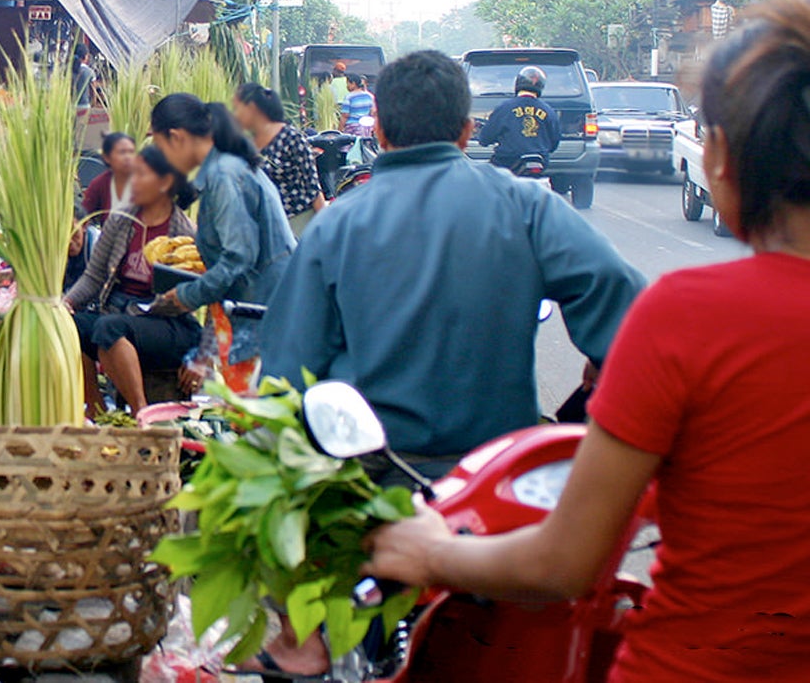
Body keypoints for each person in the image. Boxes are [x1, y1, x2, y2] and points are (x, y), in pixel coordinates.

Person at [366, 0, 810, 682]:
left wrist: (427, 552)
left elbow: (560, 563)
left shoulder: (688, 315)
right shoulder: (547, 207)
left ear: (719, 156)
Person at [254, 50, 643, 676]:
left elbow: (282, 387)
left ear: (377, 128)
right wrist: (603, 374)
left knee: (297, 644)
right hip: (503, 498)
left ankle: (311, 647)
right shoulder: (527, 207)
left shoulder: (335, 228)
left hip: (372, 495)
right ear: (467, 130)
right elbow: (631, 317)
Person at [148, 94, 295, 374]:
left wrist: (187, 295)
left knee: (257, 409)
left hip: (266, 311)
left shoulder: (225, 175)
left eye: (159, 146)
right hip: (262, 309)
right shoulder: (223, 168)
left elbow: (238, 257)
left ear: (177, 138)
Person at [64, 146, 203, 414]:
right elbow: (94, 277)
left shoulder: (185, 232)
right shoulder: (120, 221)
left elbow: (205, 295)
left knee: (108, 328)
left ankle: (141, 412)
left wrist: (203, 358)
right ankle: (95, 409)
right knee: (70, 325)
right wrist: (66, 303)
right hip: (122, 314)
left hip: (169, 326)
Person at [233, 83, 326, 237]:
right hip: (263, 227)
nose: (235, 115)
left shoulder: (291, 138)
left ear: (252, 108)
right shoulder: (244, 144)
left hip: (297, 224)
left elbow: (313, 188)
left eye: (238, 108)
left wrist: (326, 231)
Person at [478, 64, 560, 171]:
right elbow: (554, 143)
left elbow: (485, 138)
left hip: (507, 161)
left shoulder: (504, 108)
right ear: (540, 86)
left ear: (518, 83)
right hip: (540, 161)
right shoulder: (549, 111)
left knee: (488, 177)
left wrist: (485, 139)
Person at [81, 132, 137, 225]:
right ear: (107, 157)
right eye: (122, 152)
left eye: (131, 152)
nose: (128, 157)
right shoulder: (101, 183)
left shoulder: (146, 181)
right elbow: (83, 213)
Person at [71, 42, 96, 150]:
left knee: (72, 130)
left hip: (71, 105)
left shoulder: (69, 70)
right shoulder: (89, 72)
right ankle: (81, 152)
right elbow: (93, 91)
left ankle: (72, 150)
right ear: (85, 56)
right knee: (82, 131)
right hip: (84, 105)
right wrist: (93, 103)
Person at [343, 73, 375, 139]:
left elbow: (345, 115)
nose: (347, 86)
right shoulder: (369, 96)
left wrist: (340, 130)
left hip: (352, 128)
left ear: (353, 84)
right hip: (366, 128)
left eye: (348, 83)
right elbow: (372, 113)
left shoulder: (349, 97)